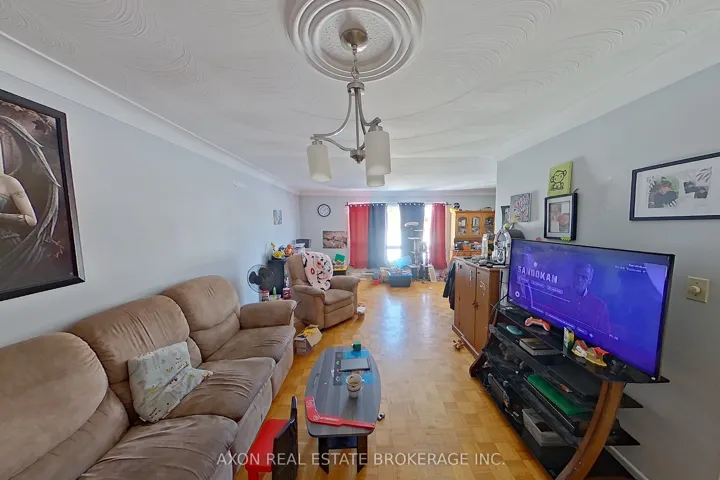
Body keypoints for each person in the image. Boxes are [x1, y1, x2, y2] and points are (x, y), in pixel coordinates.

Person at [568, 264, 610, 334]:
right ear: (573, 276)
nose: (579, 280)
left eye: (584, 277)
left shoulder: (600, 306)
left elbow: (605, 334)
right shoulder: (559, 293)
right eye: (577, 275)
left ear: (590, 280)